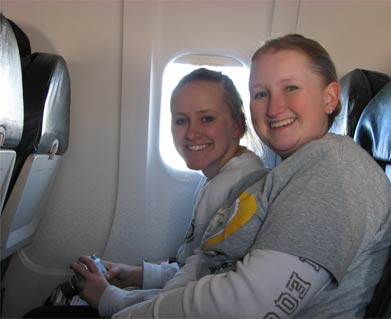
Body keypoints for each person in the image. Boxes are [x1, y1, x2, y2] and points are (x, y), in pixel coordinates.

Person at [93, 34, 391, 318]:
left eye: (290, 87)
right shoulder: (285, 174)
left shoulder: (334, 174)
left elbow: (251, 304)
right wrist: (125, 300)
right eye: (260, 94)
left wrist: (121, 309)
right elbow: (209, 267)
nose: (274, 108)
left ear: (329, 97)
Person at [23, 68, 265, 318]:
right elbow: (195, 268)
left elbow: (187, 299)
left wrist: (109, 297)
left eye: (207, 119)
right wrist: (134, 274)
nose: (191, 133)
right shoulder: (222, 175)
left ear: (237, 125)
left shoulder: (234, 187)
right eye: (181, 120)